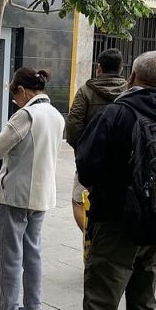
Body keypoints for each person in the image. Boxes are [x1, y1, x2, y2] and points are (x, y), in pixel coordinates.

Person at [60, 51, 156, 310]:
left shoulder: (115, 115)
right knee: (144, 304)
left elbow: (87, 167)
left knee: (101, 304)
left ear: (133, 77)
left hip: (116, 226)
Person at [0, 68, 65, 310]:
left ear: (21, 91)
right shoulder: (56, 115)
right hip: (42, 194)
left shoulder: (25, 115)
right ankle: (33, 309)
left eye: (14, 94)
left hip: (16, 194)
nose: (14, 100)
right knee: (33, 252)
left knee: (9, 256)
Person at [65, 48, 127, 232]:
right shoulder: (129, 91)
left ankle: (89, 234)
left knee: (78, 200)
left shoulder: (86, 91)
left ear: (98, 68)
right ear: (121, 69)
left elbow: (73, 124)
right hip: (121, 160)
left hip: (90, 158)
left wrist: (82, 149)